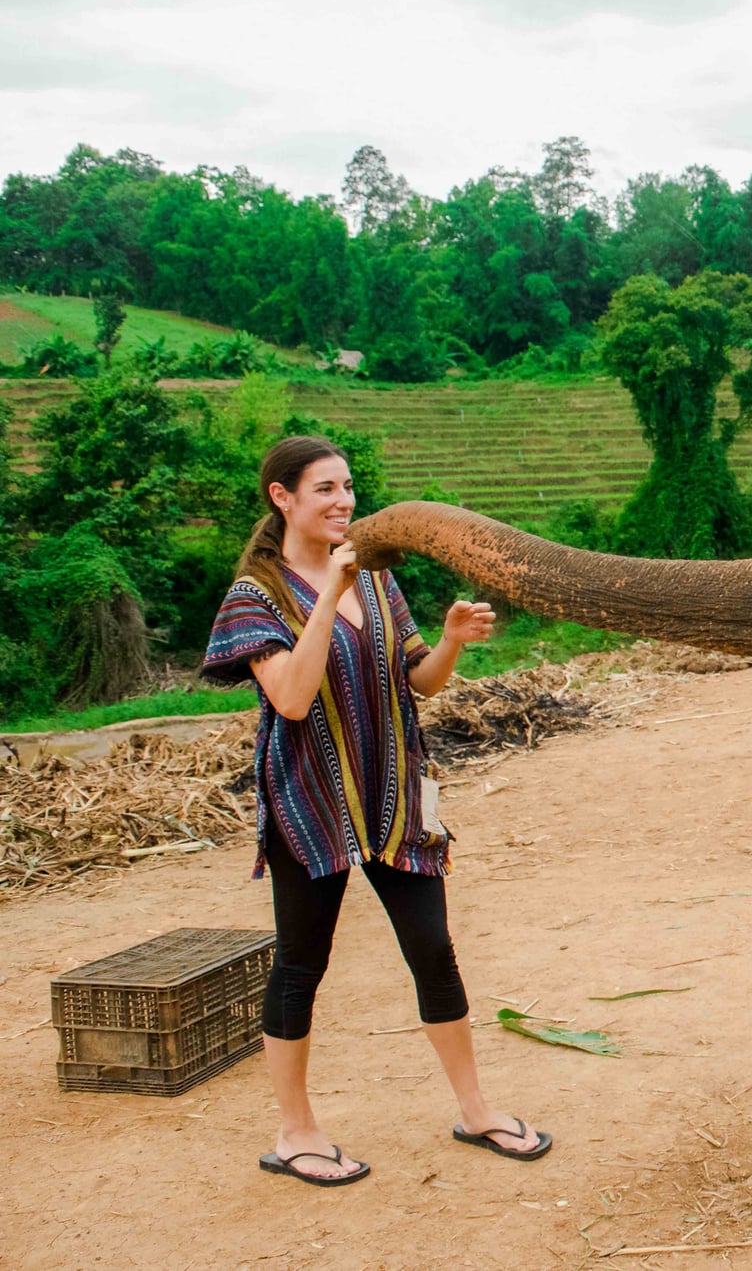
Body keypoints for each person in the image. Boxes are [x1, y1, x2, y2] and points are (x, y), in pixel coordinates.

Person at [202, 436, 547, 1186]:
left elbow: (418, 682)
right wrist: (330, 588)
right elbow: (290, 696)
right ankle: (295, 1133)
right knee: (301, 966)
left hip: (395, 792)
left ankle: (477, 1109)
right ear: (282, 498)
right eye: (324, 488)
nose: (343, 500)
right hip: (309, 800)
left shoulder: (380, 582)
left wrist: (451, 641)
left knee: (434, 949)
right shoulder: (254, 597)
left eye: (349, 486)